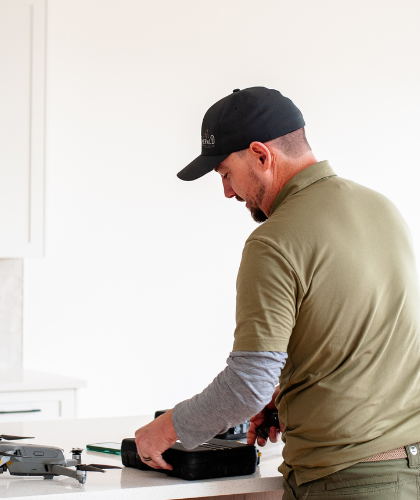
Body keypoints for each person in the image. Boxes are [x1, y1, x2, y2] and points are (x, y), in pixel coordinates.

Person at [134, 87, 420, 499]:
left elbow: (247, 384)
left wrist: (165, 430)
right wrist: (288, 397)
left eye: (226, 174)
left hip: (347, 481)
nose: (228, 192)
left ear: (261, 155)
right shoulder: (383, 209)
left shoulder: (274, 240)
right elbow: (374, 340)